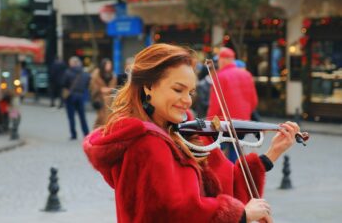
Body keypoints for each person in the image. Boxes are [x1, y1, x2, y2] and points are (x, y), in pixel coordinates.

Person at [83, 43, 300, 223]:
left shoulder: (184, 133)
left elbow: (225, 182)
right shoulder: (147, 142)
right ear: (148, 86)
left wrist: (270, 155)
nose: (187, 100)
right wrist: (241, 214)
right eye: (178, 90)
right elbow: (169, 213)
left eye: (191, 92)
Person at [206, 47, 258, 162]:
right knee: (236, 148)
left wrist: (209, 123)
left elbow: (215, 105)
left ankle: (232, 174)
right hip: (243, 122)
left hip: (225, 123)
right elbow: (254, 102)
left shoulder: (220, 77)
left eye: (218, 60)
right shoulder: (247, 75)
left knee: (223, 151)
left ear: (223, 60)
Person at [62, 56, 90, 140]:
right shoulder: (84, 73)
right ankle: (86, 133)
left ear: (72, 63)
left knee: (71, 116)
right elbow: (87, 84)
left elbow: (63, 83)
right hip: (81, 96)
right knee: (82, 116)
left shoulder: (67, 72)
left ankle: (73, 134)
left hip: (70, 96)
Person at [89, 58, 117, 129]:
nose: (109, 66)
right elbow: (92, 86)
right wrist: (100, 89)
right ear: (103, 65)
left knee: (109, 118)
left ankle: (104, 133)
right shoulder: (96, 74)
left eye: (110, 64)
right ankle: (96, 133)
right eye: (107, 64)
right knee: (100, 117)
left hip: (109, 101)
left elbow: (113, 88)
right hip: (99, 99)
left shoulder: (112, 75)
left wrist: (108, 90)